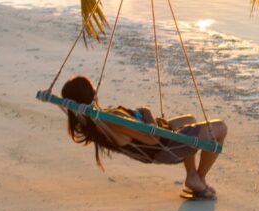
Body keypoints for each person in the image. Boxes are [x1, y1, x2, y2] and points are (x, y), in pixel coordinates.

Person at [60, 75, 227, 200]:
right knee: (220, 128)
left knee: (189, 120)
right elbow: (152, 138)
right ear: (92, 94)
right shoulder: (113, 120)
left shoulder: (93, 122)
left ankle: (192, 176)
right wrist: (146, 111)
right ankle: (201, 178)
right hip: (164, 147)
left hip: (154, 148)